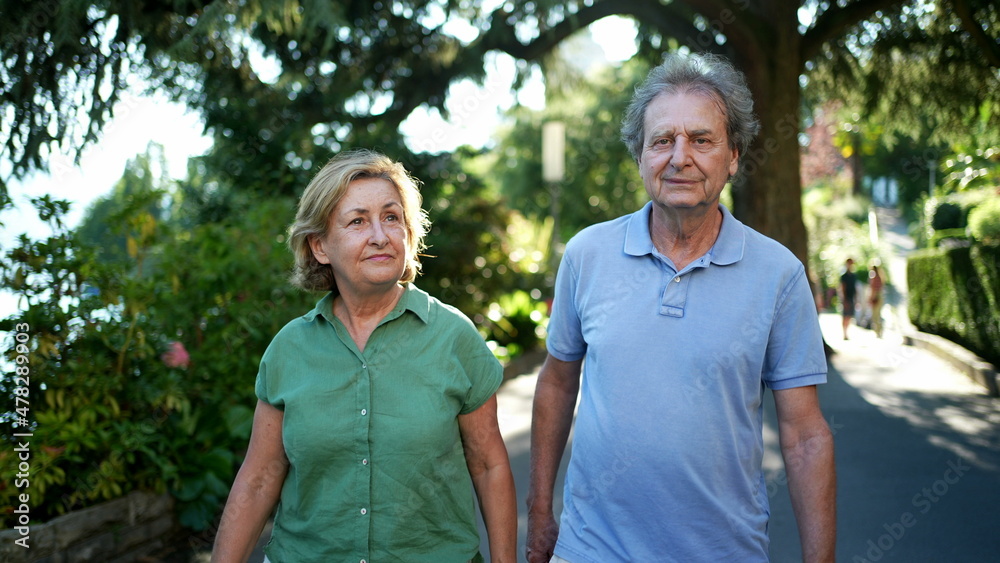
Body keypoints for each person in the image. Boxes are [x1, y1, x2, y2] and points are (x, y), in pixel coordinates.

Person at [526, 53, 836, 563]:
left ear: (733, 156)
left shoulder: (778, 274)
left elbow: (804, 435)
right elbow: (558, 382)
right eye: (662, 141)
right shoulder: (586, 254)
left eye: (701, 139)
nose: (679, 157)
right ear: (641, 156)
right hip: (591, 550)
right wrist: (540, 513)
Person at [212, 149, 517, 563]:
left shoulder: (453, 337)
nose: (380, 235)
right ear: (320, 245)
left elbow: (488, 465)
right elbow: (260, 477)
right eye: (357, 221)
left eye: (391, 217)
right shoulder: (289, 349)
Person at [840, 258, 858, 340]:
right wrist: (844, 299)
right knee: (845, 315)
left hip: (851, 298)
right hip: (846, 298)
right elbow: (842, 288)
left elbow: (855, 288)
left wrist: (856, 298)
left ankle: (846, 332)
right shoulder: (844, 276)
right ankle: (844, 333)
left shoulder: (854, 276)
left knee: (850, 316)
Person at [868, 263, 884, 337]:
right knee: (878, 314)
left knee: (875, 315)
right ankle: (879, 330)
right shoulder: (880, 276)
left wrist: (871, 298)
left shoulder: (873, 277)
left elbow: (873, 289)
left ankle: (877, 331)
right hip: (880, 296)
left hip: (876, 296)